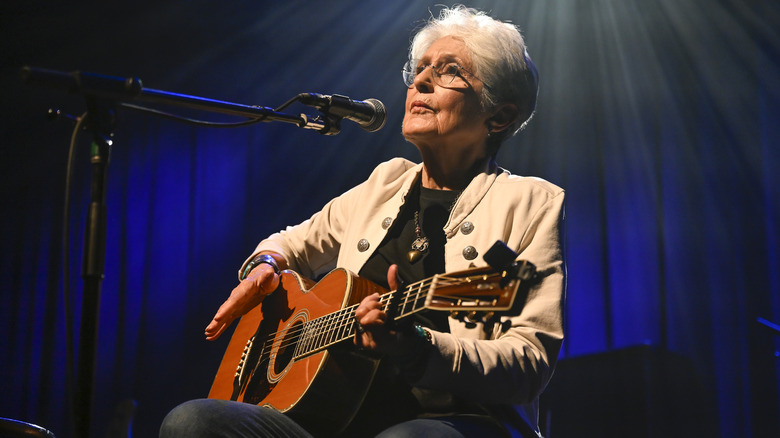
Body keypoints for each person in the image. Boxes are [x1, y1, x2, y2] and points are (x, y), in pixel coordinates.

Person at [160, 5, 564, 438]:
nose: (421, 80)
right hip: (334, 419)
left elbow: (528, 362)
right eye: (421, 67)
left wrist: (419, 348)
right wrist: (267, 267)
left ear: (498, 116)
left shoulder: (530, 202)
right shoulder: (384, 183)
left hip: (461, 421)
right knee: (191, 422)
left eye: (449, 71)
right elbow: (291, 243)